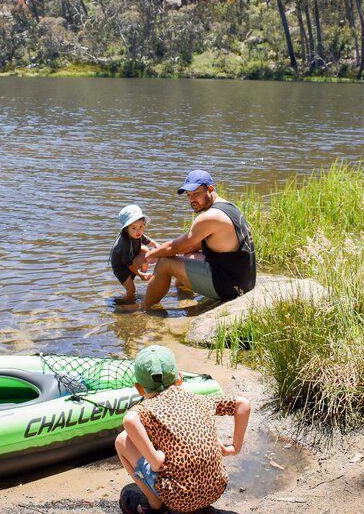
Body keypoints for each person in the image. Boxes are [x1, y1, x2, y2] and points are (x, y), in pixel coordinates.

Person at [114, 345, 251, 514]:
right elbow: (243, 404)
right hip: (216, 488)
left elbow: (129, 419)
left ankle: (155, 504)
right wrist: (234, 448)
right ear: (180, 378)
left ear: (139, 388)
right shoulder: (201, 399)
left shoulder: (145, 409)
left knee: (122, 440)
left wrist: (156, 460)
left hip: (178, 497)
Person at [121, 170, 256, 311]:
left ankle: (145, 310)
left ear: (210, 189)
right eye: (188, 195)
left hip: (232, 287)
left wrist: (147, 256)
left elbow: (174, 247)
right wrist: (166, 252)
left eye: (196, 194)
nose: (192, 200)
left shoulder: (210, 217)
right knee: (186, 257)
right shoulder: (229, 207)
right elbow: (189, 247)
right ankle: (184, 298)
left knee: (165, 263)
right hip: (244, 280)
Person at [110, 204, 160, 304]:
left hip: (131, 256)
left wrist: (157, 246)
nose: (139, 231)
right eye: (134, 228)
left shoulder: (138, 234)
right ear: (126, 229)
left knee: (145, 249)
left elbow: (149, 241)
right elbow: (128, 264)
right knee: (131, 290)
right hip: (122, 268)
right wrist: (139, 274)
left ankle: (144, 272)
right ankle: (123, 303)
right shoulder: (124, 244)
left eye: (141, 226)